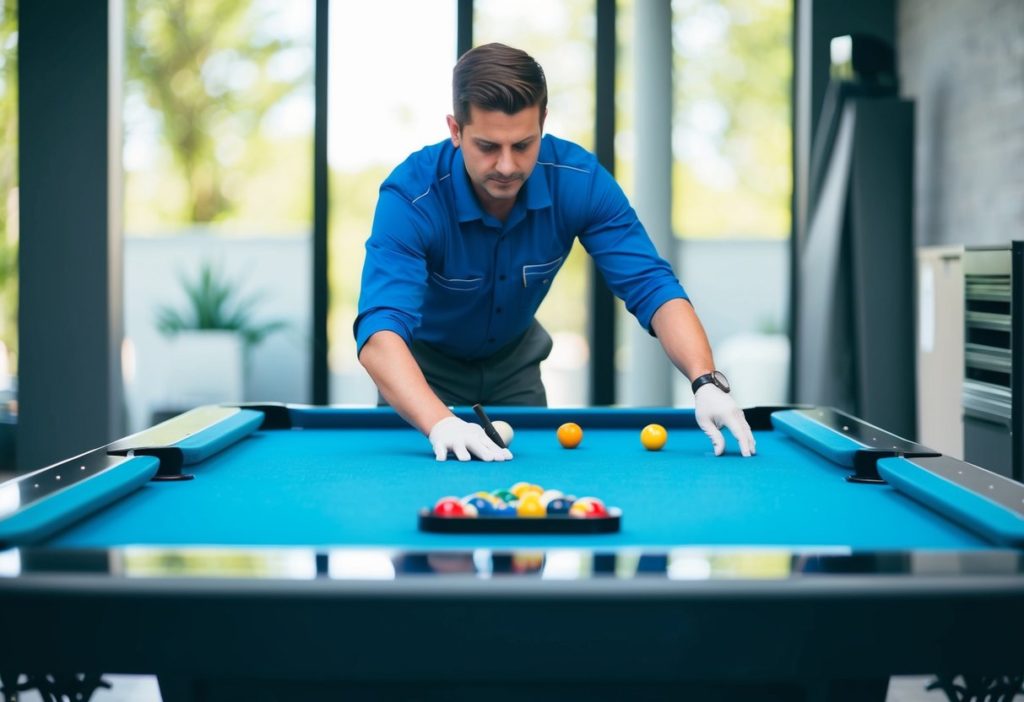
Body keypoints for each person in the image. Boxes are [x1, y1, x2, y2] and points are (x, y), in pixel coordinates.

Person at [355, 42, 755, 463]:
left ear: (543, 122)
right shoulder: (411, 197)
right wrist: (439, 421)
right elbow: (380, 331)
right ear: (456, 130)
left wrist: (706, 381)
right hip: (421, 374)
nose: (508, 166)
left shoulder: (580, 181)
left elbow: (651, 285)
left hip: (515, 370)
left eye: (524, 145)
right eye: (488, 146)